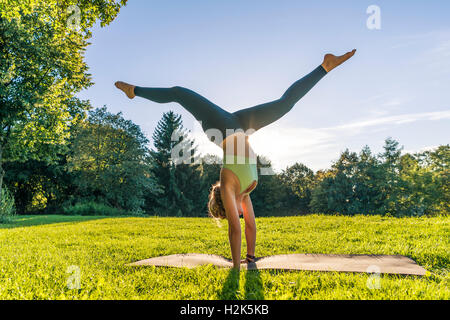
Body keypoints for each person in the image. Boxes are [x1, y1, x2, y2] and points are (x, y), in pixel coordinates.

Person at [115, 49, 356, 269]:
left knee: (179, 93)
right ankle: (324, 67)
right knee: (285, 105)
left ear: (225, 202)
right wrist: (249, 258)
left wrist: (236, 266)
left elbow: (235, 229)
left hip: (220, 128)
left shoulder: (228, 183)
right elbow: (250, 226)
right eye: (238, 212)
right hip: (240, 126)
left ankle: (134, 91)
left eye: (234, 211)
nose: (240, 213)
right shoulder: (247, 192)